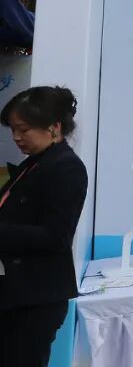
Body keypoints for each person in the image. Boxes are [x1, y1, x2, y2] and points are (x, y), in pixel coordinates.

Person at [0, 86, 88, 367]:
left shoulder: (66, 167)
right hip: (14, 293)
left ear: (54, 127)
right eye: (13, 129)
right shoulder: (33, 164)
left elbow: (56, 237)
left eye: (23, 129)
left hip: (34, 299)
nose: (16, 137)